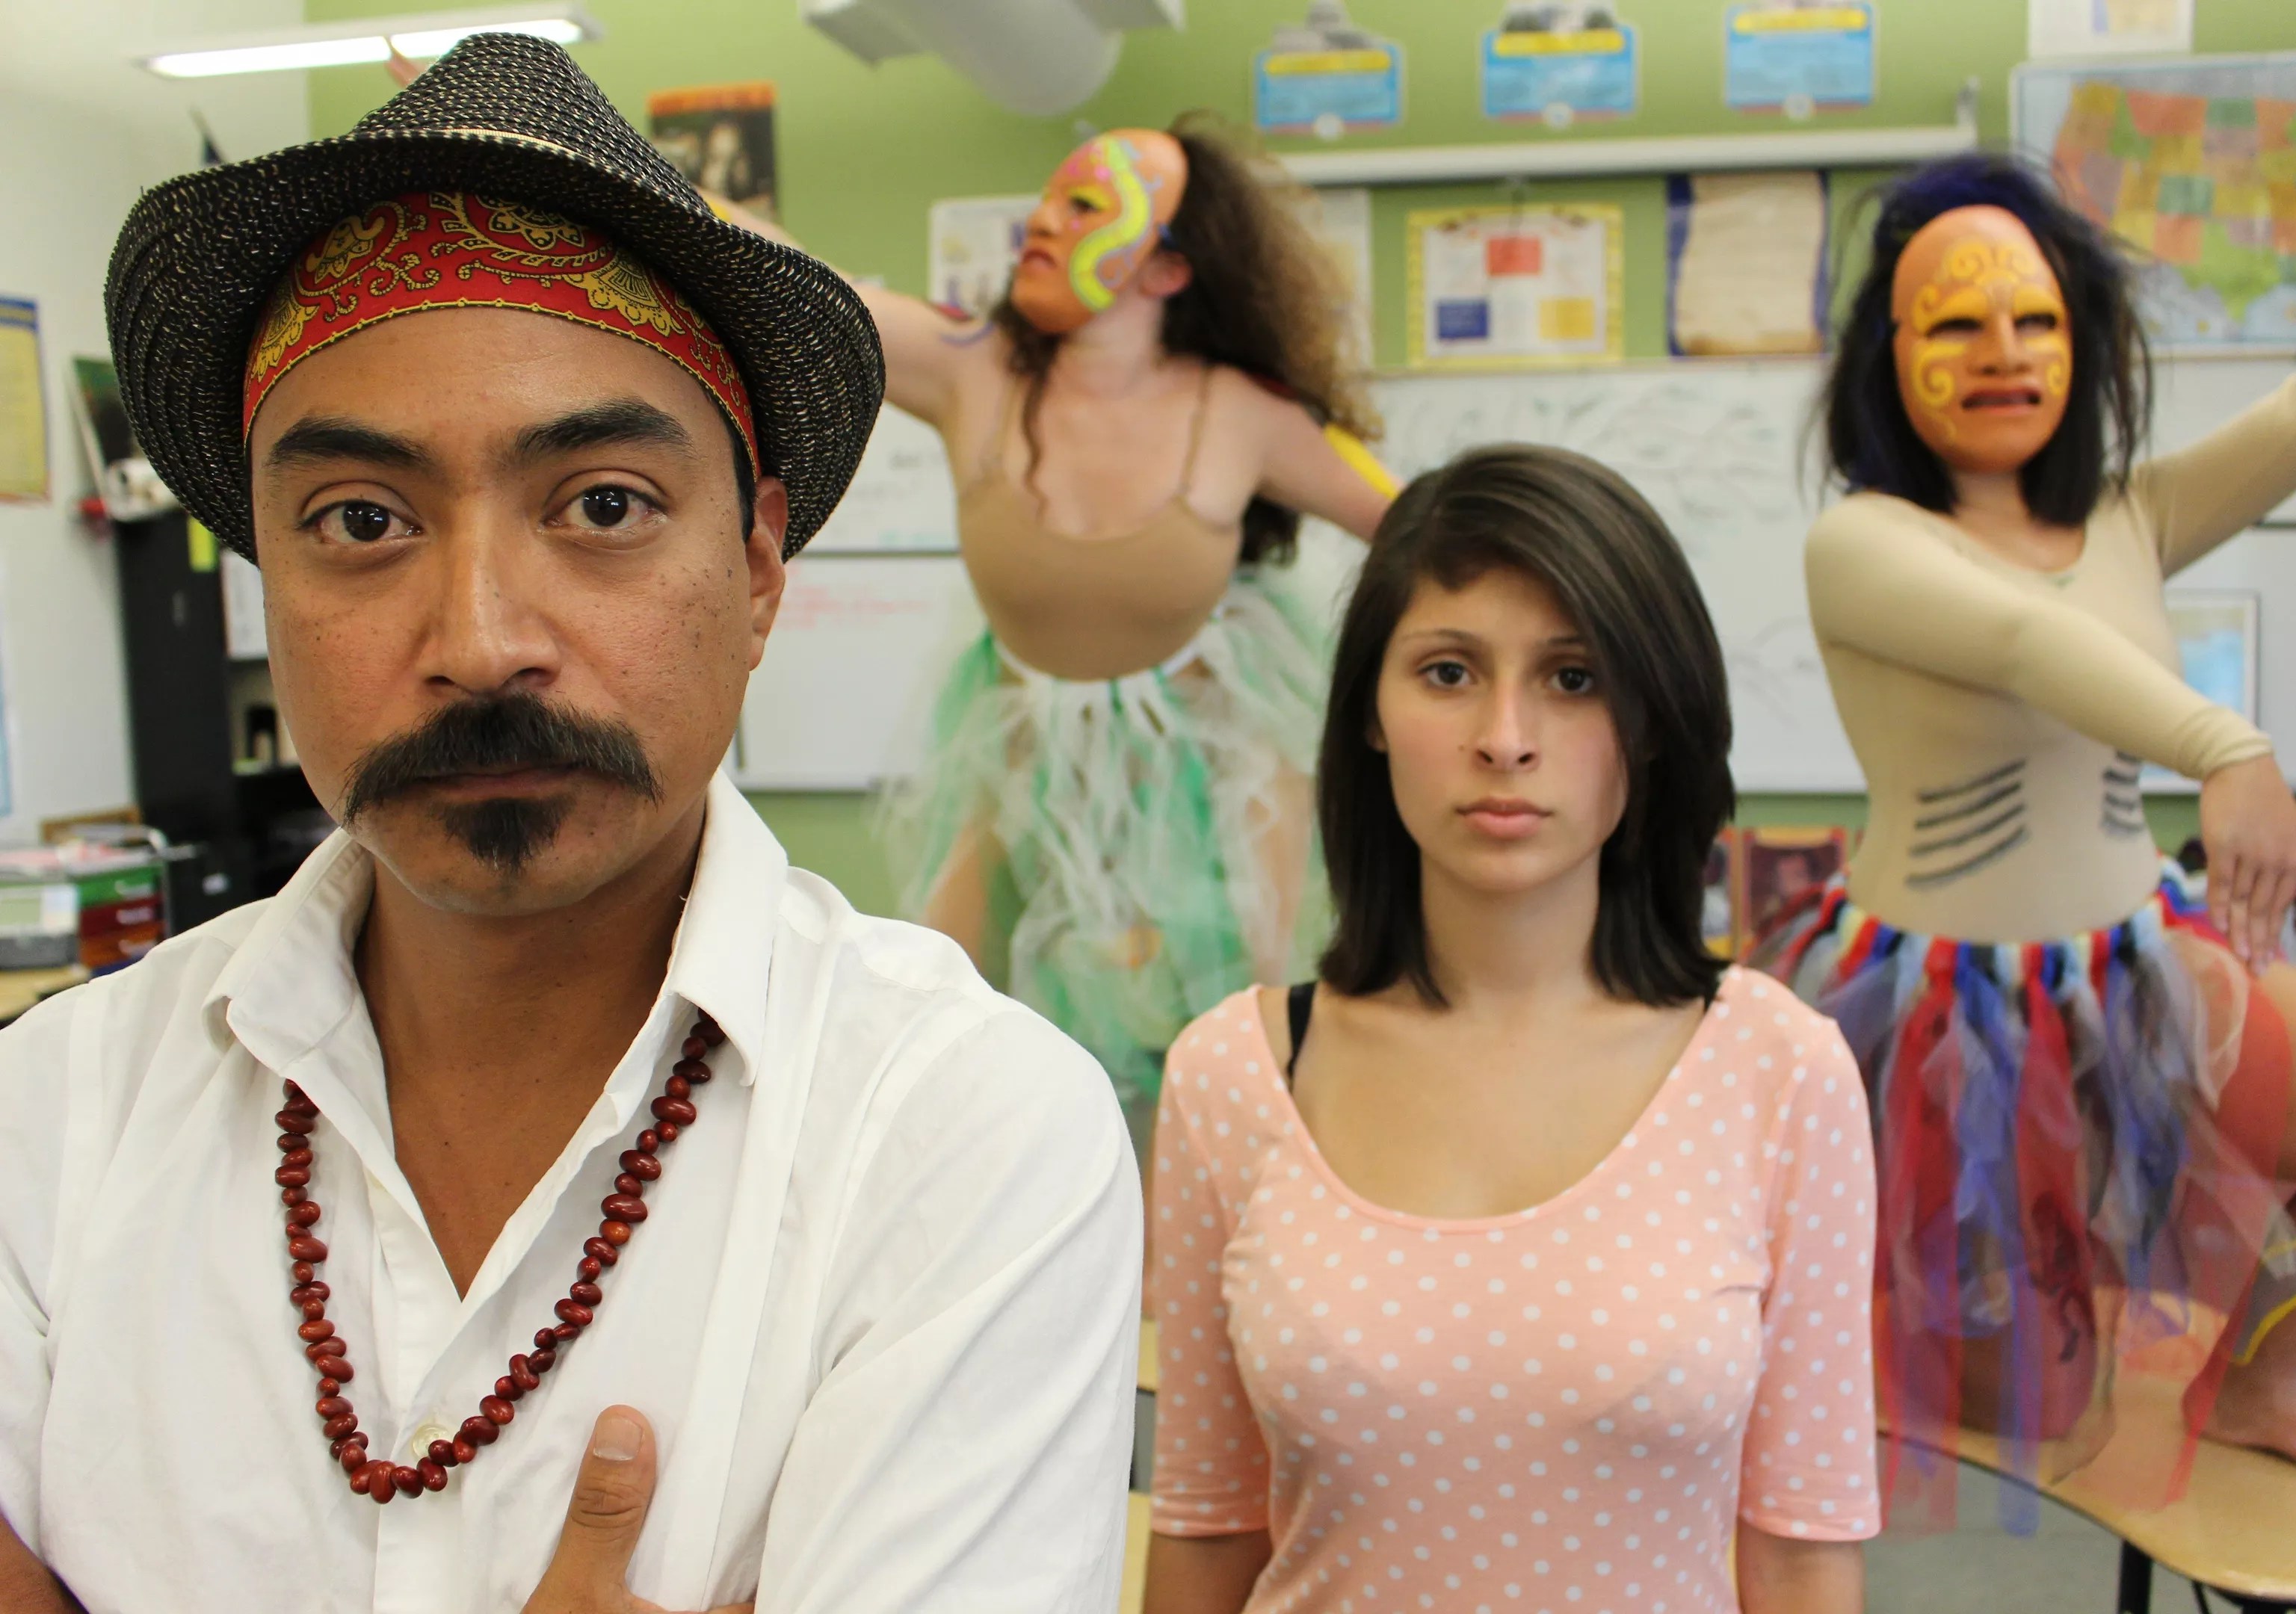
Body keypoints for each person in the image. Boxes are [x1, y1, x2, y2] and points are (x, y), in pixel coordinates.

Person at [0, 35, 1140, 1613]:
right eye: (361, 521)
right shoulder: (57, 1113)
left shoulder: (961, 1136)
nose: (480, 640)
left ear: (757, 571)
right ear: (265, 581)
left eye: (604, 505)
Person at [1755, 152, 2296, 1517]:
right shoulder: (1863, 542)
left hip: (2155, 970)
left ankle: (2258, 1386)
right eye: (1957, 322)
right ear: (1891, 352)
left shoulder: (2130, 515)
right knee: (2037, 1424)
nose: (2003, 350)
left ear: (2084, 338)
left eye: (2036, 318)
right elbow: (2021, 637)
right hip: (1953, 1028)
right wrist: (2223, 746)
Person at [1144, 448, 1879, 1614]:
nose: (1505, 737)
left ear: (1651, 720)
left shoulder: (1780, 1071)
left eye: (1574, 679)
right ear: (1371, 713)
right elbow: (1205, 1532)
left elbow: (1801, 1549)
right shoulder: (1231, 1076)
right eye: (1447, 672)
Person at [855, 118, 1398, 1132]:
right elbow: (797, 281)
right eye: (1049, 198)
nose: (1044, 221)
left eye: (1087, 208)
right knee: (954, 1008)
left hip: (1216, 764)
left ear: (1168, 270)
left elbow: (1419, 526)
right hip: (1019, 747)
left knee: (1232, 1030)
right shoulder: (974, 365)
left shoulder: (1243, 409)